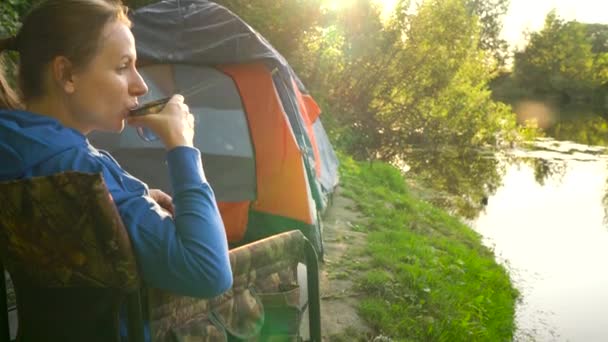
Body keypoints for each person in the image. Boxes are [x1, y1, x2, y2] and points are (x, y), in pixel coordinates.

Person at [0, 0, 232, 333]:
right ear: (66, 74)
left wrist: (127, 203)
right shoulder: (86, 173)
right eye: (123, 66)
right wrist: (181, 145)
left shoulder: (16, 152)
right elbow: (208, 271)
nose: (140, 85)